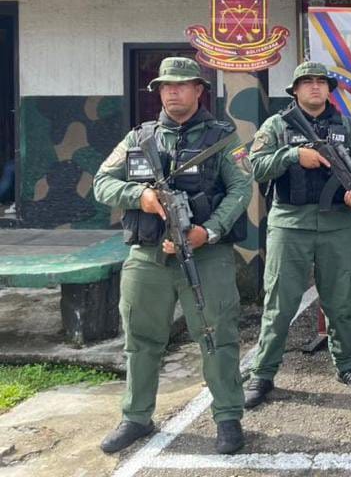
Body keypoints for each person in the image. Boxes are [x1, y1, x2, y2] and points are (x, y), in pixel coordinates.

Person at [93, 57, 252, 454]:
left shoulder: (223, 138)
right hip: (147, 257)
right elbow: (102, 183)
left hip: (206, 255)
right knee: (141, 338)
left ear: (199, 90)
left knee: (217, 334)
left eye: (181, 85)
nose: (172, 91)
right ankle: (136, 417)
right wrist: (139, 196)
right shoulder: (138, 138)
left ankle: (228, 417)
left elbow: (241, 189)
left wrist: (209, 231)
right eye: (165, 86)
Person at [244, 62, 351, 408]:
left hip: (336, 223)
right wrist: (292, 155)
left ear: (328, 89)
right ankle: (263, 373)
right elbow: (254, 165)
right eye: (308, 82)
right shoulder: (277, 125)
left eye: (321, 82)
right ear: (296, 90)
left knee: (340, 300)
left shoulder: (346, 126)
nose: (315, 87)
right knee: (279, 302)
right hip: (290, 223)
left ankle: (348, 365)